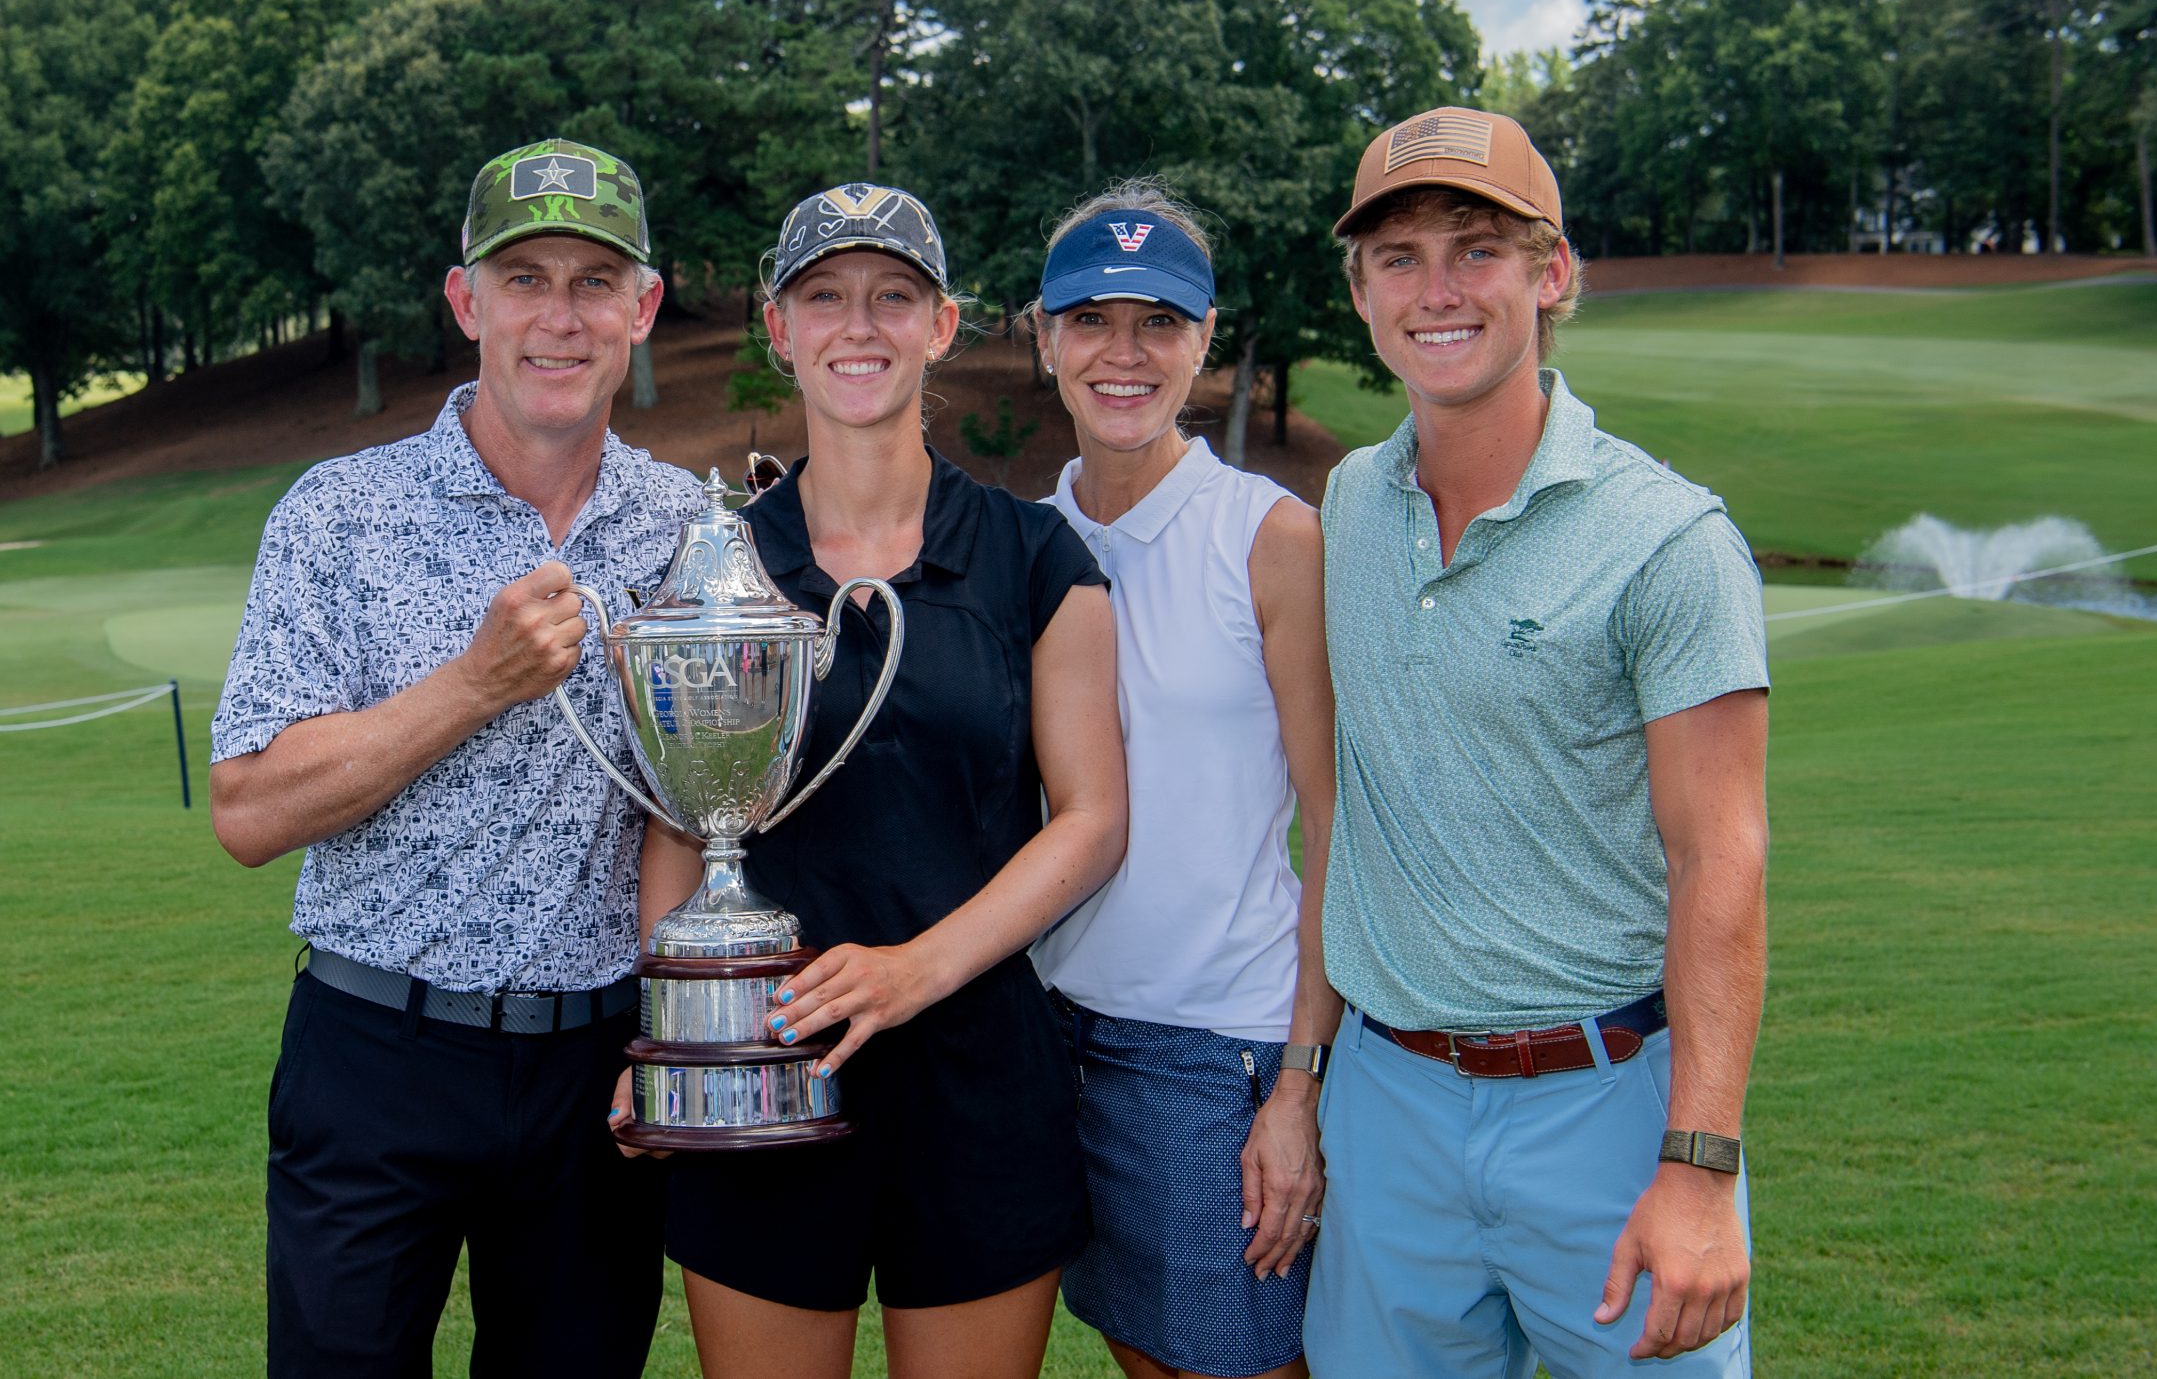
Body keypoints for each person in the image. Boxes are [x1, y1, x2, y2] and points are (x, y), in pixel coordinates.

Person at [208, 139, 701, 1377]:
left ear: (642, 308)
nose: (559, 316)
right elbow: (250, 810)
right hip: (379, 1053)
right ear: (464, 300)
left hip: (598, 1070)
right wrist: (474, 685)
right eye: (524, 277)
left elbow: (692, 810)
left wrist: (674, 1028)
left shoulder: (690, 526)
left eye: (595, 281)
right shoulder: (339, 511)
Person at [620, 182, 1130, 1379]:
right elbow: (675, 827)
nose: (861, 325)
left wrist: (913, 973)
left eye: (893, 297)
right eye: (825, 298)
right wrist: (680, 1044)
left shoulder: (1037, 556)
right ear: (778, 326)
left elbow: (1093, 820)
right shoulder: (718, 564)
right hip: (763, 1069)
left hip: (977, 1084)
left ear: (941, 325)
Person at [1302, 108, 1770, 1377]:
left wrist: (1700, 1164)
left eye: (1477, 249)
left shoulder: (1670, 539)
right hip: (1388, 1098)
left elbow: (1717, 860)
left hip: (1606, 1101)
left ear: (1551, 273)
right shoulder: (1348, 502)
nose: (1436, 289)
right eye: (1397, 257)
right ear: (1358, 294)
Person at [1026, 182, 1342, 1379]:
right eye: (1091, 319)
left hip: (1220, 1048)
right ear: (1043, 335)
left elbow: (1335, 823)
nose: (1123, 353)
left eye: (1157, 321)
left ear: (1205, 338)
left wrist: (1298, 1088)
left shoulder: (1269, 537)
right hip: (1053, 1037)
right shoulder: (1026, 541)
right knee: (1143, 1356)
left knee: (1247, 1364)